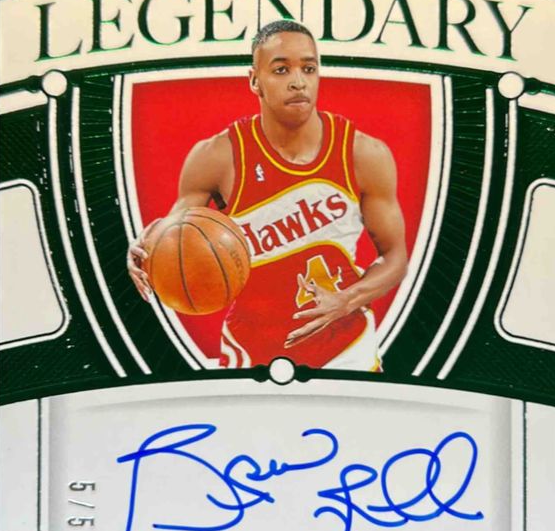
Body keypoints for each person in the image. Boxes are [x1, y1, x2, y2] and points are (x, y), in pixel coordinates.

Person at [128, 20, 407, 370]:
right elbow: (174, 237)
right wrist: (146, 252)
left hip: (346, 349)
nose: (298, 81)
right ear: (254, 80)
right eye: (281, 69)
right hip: (251, 354)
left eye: (309, 68)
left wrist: (347, 300)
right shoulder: (217, 157)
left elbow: (395, 257)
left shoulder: (363, 154)